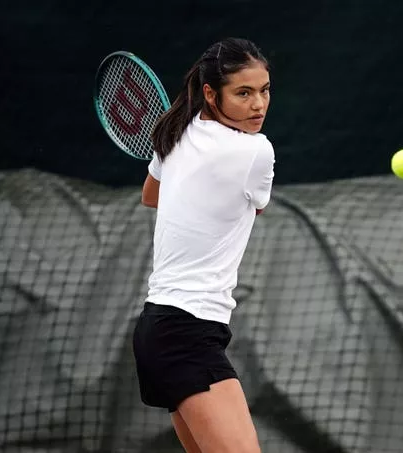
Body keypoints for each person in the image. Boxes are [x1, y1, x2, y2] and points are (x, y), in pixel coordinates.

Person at [132, 37, 274, 453]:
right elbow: (255, 207)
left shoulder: (175, 131)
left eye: (264, 90)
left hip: (159, 328)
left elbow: (151, 194)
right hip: (186, 333)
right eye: (243, 93)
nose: (258, 105)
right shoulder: (256, 151)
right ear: (211, 93)